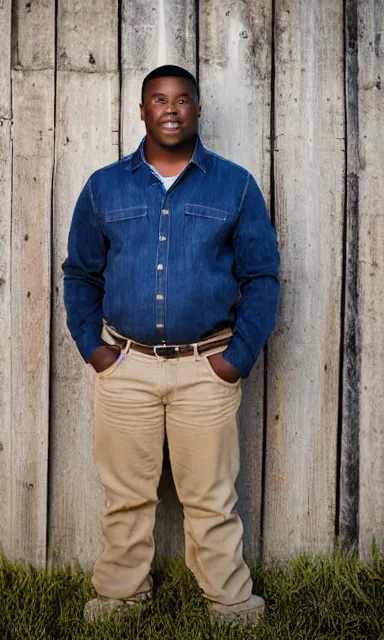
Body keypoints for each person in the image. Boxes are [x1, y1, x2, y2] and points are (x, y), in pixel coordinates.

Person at [62, 64, 280, 626]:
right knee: (126, 497)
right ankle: (119, 595)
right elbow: (80, 273)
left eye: (182, 99)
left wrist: (235, 361)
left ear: (198, 108)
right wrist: (95, 350)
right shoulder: (104, 186)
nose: (171, 109)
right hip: (126, 365)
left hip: (205, 368)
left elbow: (262, 277)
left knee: (210, 498)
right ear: (142, 111)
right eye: (159, 99)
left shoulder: (234, 184)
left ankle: (231, 603)